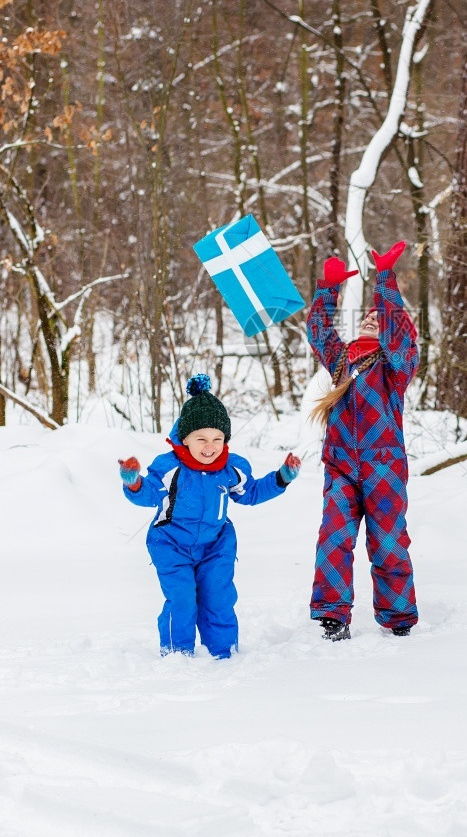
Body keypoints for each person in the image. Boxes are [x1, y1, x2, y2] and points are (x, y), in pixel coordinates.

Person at [119, 374, 300, 658]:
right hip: (170, 544)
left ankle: (223, 652)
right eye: (201, 438)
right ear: (185, 439)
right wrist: (133, 483)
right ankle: (177, 653)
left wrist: (281, 478)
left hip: (216, 545)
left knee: (218, 597)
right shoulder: (169, 467)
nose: (210, 446)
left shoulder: (231, 468)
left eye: (217, 438)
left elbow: (250, 492)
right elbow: (149, 494)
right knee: (182, 599)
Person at [307, 241, 419, 641]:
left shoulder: (396, 368)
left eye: (379, 317)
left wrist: (385, 280)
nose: (372, 319)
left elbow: (394, 328)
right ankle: (333, 614)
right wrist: (328, 289)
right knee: (333, 535)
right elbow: (318, 330)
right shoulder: (341, 360)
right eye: (368, 316)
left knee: (388, 540)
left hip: (384, 466)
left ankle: (398, 615)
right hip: (340, 464)